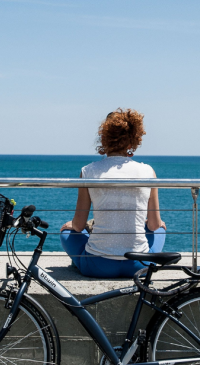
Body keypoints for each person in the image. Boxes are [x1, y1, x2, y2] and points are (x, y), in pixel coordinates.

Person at [60, 108, 166, 278]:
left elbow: (78, 226)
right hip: (139, 265)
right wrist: (154, 223)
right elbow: (153, 226)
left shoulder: (89, 171)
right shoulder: (148, 171)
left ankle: (79, 262)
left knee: (66, 232)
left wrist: (72, 225)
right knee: (160, 229)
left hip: (98, 265)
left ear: (104, 139)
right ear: (133, 141)